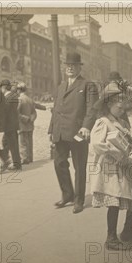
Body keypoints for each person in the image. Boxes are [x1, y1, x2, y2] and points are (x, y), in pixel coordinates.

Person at [89, 81, 132, 250]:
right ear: (109, 105)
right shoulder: (102, 122)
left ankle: (127, 232)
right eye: (119, 108)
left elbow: (131, 142)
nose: (122, 112)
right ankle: (111, 238)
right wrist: (117, 154)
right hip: (110, 168)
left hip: (125, 166)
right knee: (113, 202)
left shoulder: (121, 122)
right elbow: (96, 144)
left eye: (124, 109)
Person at [48, 52, 99, 214]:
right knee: (59, 164)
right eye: (67, 65)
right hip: (60, 132)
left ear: (79, 67)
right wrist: (51, 129)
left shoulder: (87, 85)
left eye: (73, 65)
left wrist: (86, 127)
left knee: (79, 167)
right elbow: (56, 110)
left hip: (78, 133)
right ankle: (67, 194)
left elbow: (92, 109)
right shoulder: (60, 87)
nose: (70, 68)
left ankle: (79, 200)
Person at [0, 80, 22, 171]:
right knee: (8, 143)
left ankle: (15, 164)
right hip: (12, 125)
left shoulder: (8, 97)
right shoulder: (13, 96)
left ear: (3, 87)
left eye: (1, 88)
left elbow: (5, 111)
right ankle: (7, 161)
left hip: (9, 126)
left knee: (12, 145)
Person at [16, 82, 37, 165]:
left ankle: (24, 159)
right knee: (29, 142)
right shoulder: (30, 99)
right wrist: (31, 119)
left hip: (22, 125)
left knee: (22, 142)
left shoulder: (19, 100)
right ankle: (30, 157)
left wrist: (25, 119)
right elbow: (34, 113)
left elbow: (16, 113)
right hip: (30, 125)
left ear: (18, 90)